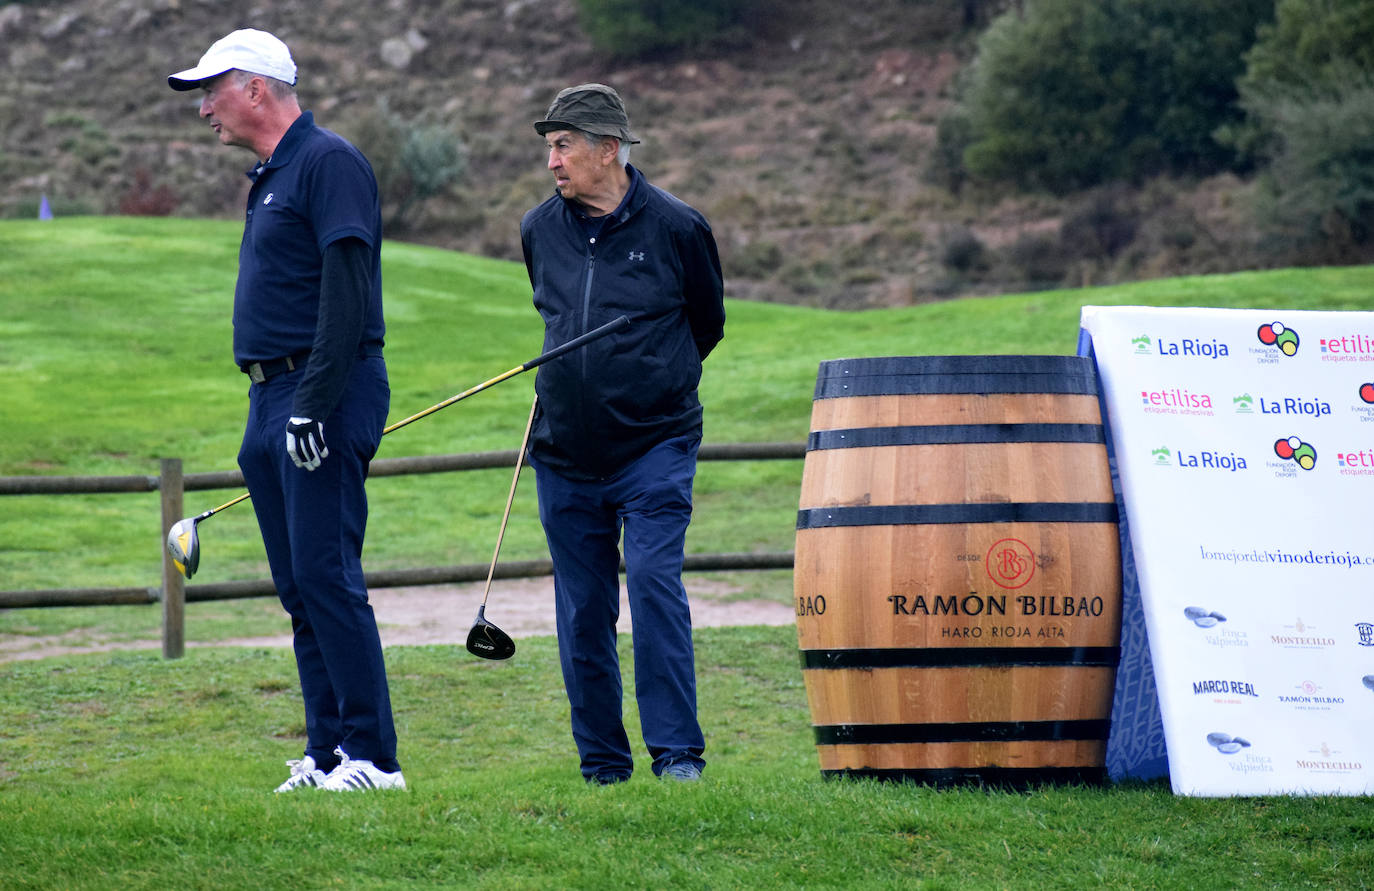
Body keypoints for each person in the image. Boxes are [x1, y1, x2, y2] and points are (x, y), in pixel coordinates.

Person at [167, 29, 404, 792]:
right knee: (300, 584)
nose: (204, 107)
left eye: (212, 90)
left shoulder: (329, 162)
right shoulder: (272, 174)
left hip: (320, 392)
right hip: (270, 395)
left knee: (329, 575)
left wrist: (314, 403)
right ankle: (329, 750)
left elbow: (347, 294)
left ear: (256, 88)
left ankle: (375, 758)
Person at [520, 84, 726, 784]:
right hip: (564, 455)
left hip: (654, 447)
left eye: (564, 144)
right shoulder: (537, 229)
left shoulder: (677, 227)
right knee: (582, 612)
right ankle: (604, 764)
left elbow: (707, 325)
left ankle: (677, 756)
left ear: (609, 149)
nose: (553, 159)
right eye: (549, 145)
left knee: (655, 587)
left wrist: (648, 385)